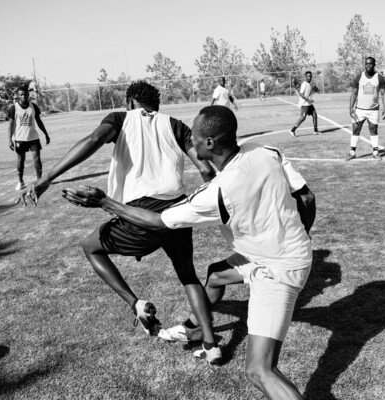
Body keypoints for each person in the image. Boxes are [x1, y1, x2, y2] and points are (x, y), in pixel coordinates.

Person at [62, 105, 316, 399]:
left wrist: (105, 203)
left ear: (209, 143)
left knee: (259, 371)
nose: (190, 143)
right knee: (216, 275)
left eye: (194, 138)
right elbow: (306, 196)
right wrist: (301, 237)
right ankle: (196, 328)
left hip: (276, 269)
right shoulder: (265, 150)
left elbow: (158, 221)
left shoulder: (219, 191)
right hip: (281, 252)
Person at [18, 81, 220, 361]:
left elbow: (93, 140)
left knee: (91, 246)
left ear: (130, 103)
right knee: (188, 275)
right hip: (177, 211)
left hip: (139, 213)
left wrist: (46, 179)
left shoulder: (121, 118)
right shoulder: (175, 125)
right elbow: (205, 168)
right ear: (155, 105)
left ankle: (136, 303)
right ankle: (212, 347)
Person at [8, 85, 51, 191]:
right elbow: (11, 125)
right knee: (20, 160)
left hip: (33, 137)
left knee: (37, 159)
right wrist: (10, 139)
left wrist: (46, 134)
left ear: (28, 95)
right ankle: (20, 181)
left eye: (26, 94)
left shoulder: (33, 106)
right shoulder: (14, 108)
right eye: (21, 95)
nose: (24, 96)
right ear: (17, 96)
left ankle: (39, 181)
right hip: (20, 138)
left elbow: (39, 121)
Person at [347, 56, 385, 161]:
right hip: (359, 110)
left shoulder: (379, 78)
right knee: (355, 130)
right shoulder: (358, 77)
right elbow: (354, 93)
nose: (368, 65)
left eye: (370, 64)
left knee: (373, 130)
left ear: (374, 65)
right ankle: (352, 152)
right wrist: (351, 108)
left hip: (373, 110)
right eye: (366, 64)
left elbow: (384, 94)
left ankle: (375, 152)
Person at [289, 71, 319, 137]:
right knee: (302, 118)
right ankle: (292, 130)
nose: (309, 77)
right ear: (305, 77)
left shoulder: (309, 84)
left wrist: (310, 100)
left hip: (309, 104)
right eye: (308, 76)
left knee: (315, 115)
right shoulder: (304, 84)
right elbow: (301, 94)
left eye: (310, 76)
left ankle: (315, 130)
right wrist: (309, 99)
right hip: (305, 105)